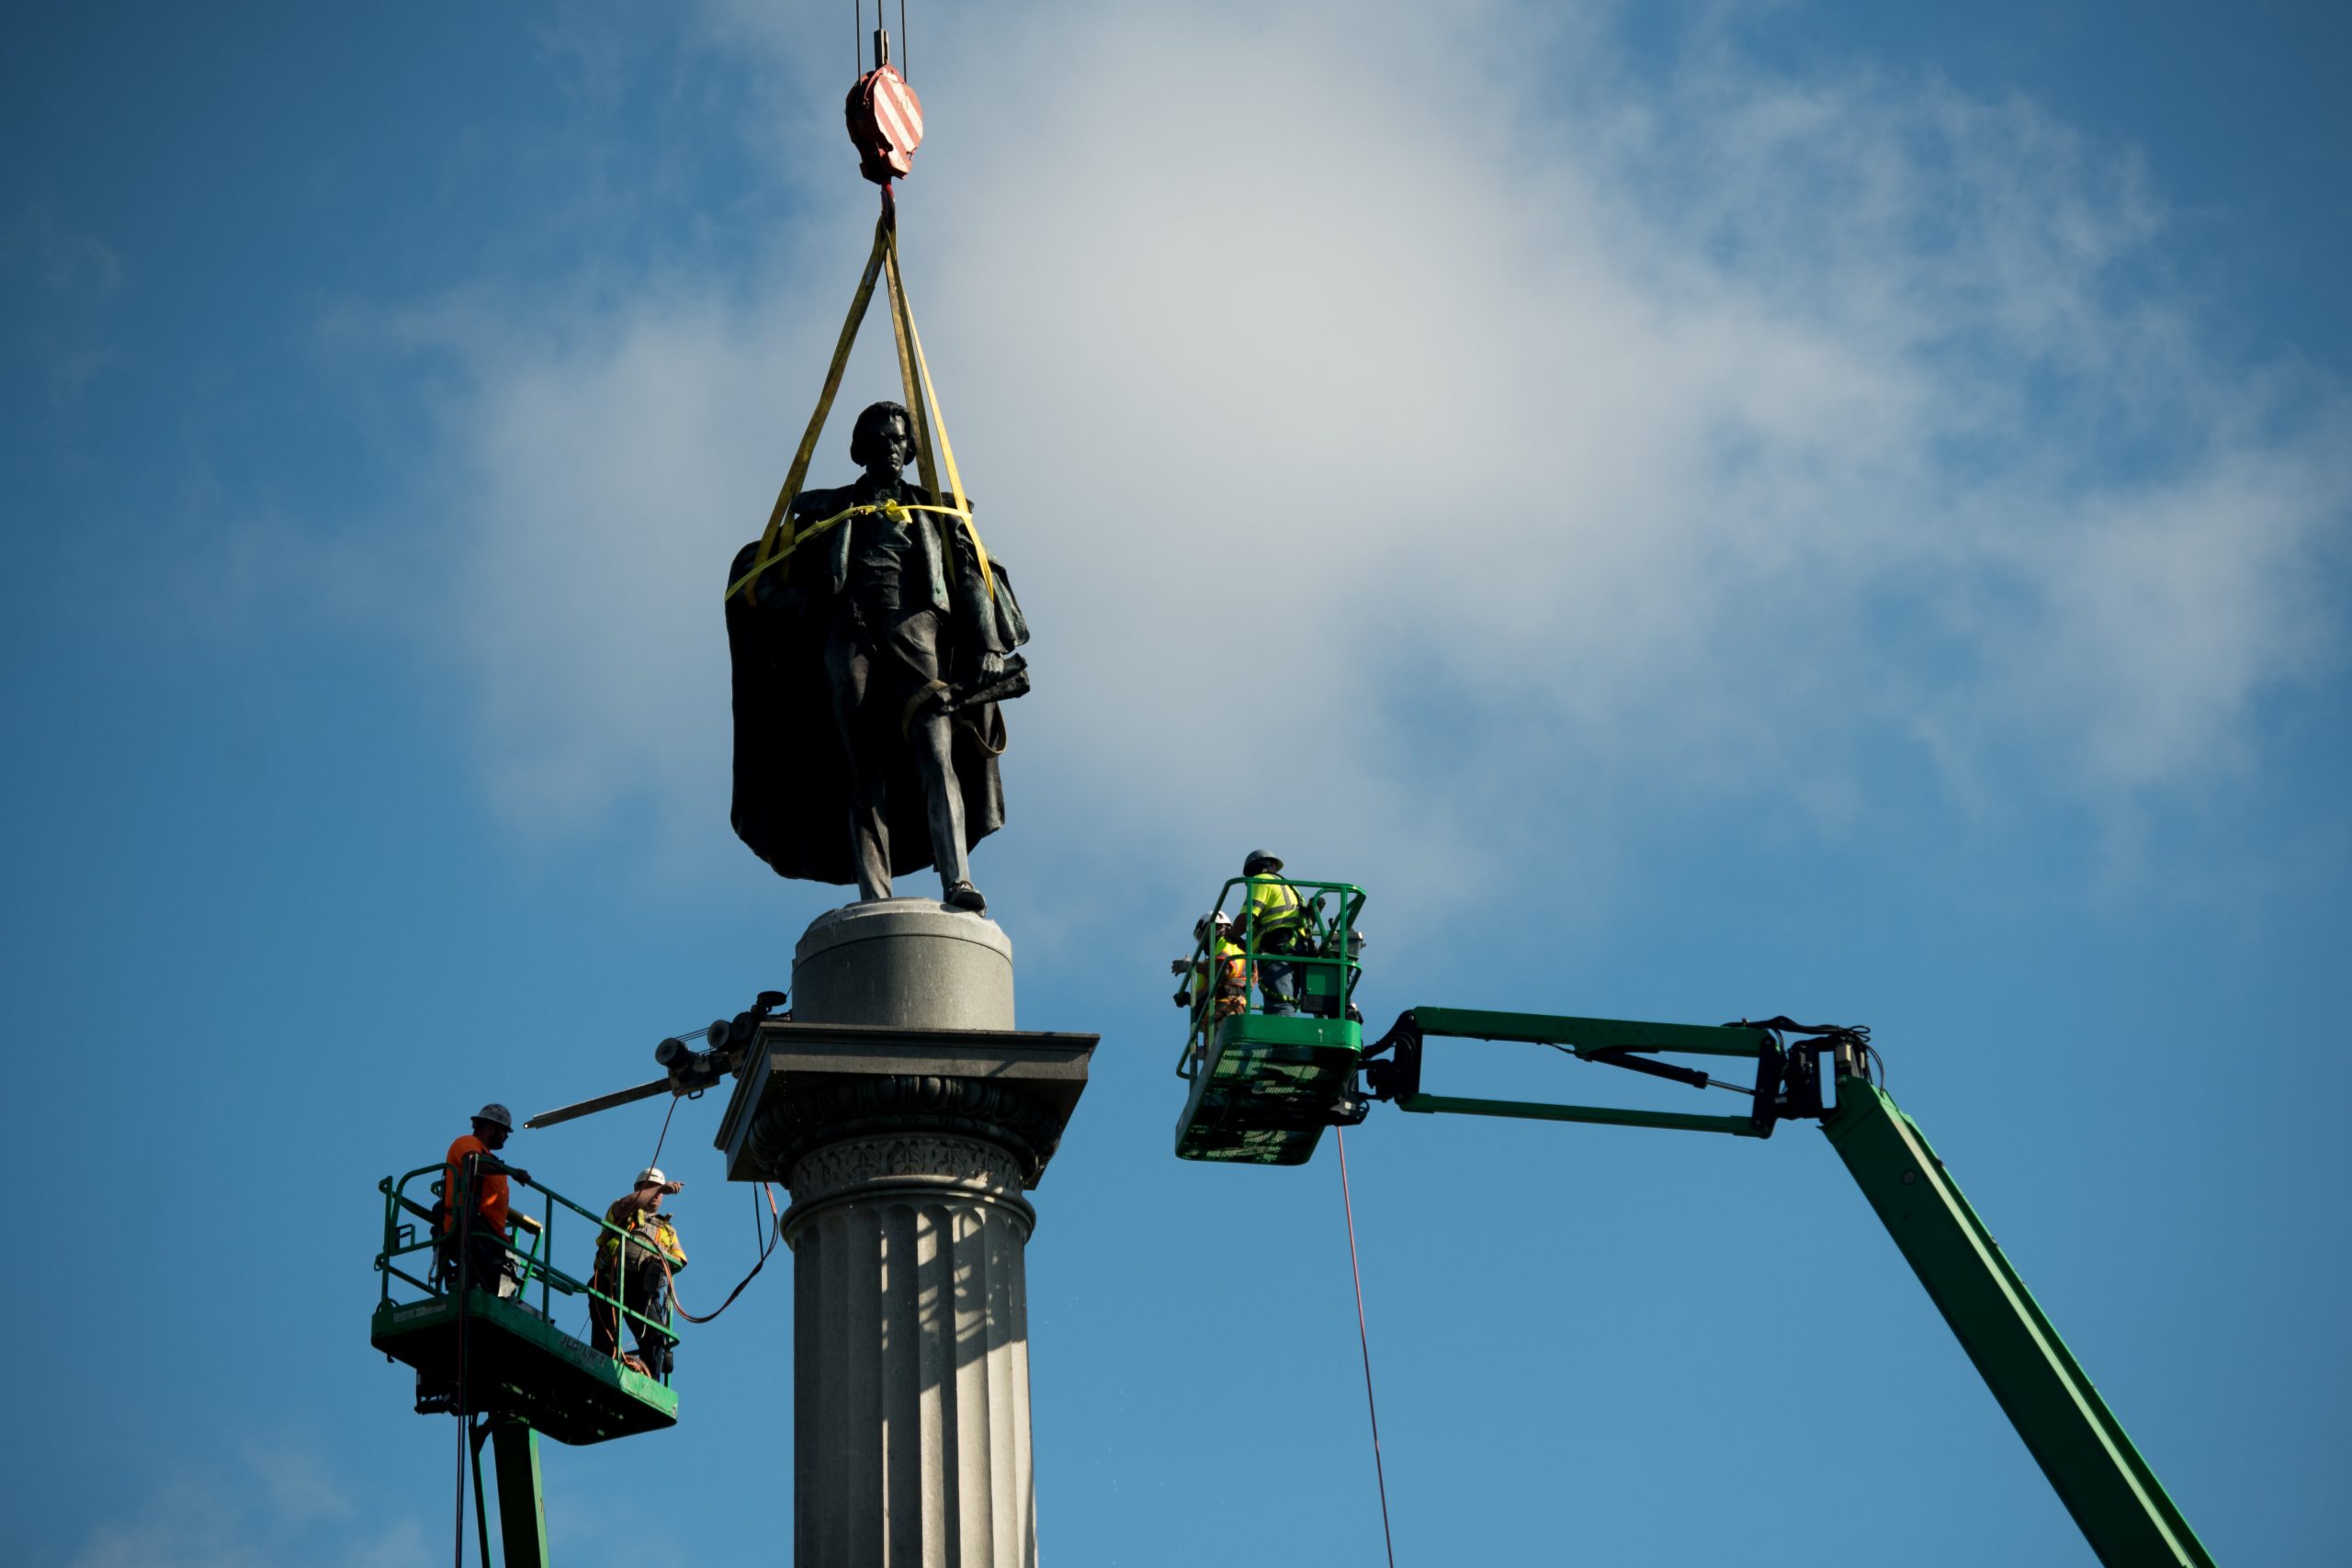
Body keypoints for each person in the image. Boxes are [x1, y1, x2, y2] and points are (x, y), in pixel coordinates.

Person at [726, 400, 1031, 913]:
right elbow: (768, 577)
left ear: (911, 450)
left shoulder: (936, 509)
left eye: (897, 439)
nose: (889, 447)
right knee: (862, 768)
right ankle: (874, 894)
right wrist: (795, 605)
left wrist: (986, 644)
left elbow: (973, 572)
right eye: (879, 439)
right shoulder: (826, 511)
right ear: (860, 450)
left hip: (916, 630)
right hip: (850, 634)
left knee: (937, 755)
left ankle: (957, 880)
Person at [591, 1167, 687, 1379]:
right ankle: (600, 1368)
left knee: (655, 1334)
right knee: (606, 1335)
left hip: (642, 1289)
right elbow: (625, 1205)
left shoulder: (666, 1229)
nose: (657, 1193)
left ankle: (650, 1382)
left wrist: (661, 1261)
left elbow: (679, 1260)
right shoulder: (624, 1210)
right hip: (611, 1280)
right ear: (638, 1189)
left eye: (659, 1190)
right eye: (651, 1187)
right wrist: (661, 1186)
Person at [441, 1103, 528, 1296]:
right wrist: (511, 1172)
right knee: (481, 1285)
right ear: (490, 1126)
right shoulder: (465, 1143)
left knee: (505, 1276)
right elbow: (473, 1163)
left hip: (492, 1236)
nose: (506, 1136)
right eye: (504, 1130)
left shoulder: (493, 1161)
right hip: (472, 1228)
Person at [1231, 850, 1306, 1014]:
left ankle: (1281, 1038)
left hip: (1276, 949)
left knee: (1280, 1003)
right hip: (1298, 950)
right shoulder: (1291, 888)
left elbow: (1247, 917)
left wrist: (1232, 934)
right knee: (1289, 1001)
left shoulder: (1260, 881)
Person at [1171, 909, 1248, 1034]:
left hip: (1226, 1009)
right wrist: (1190, 1000)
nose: (1202, 942)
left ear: (1217, 927)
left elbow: (1224, 971)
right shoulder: (1212, 959)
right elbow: (1211, 989)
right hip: (1213, 1019)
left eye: (1202, 935)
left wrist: (1191, 966)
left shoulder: (1229, 944)